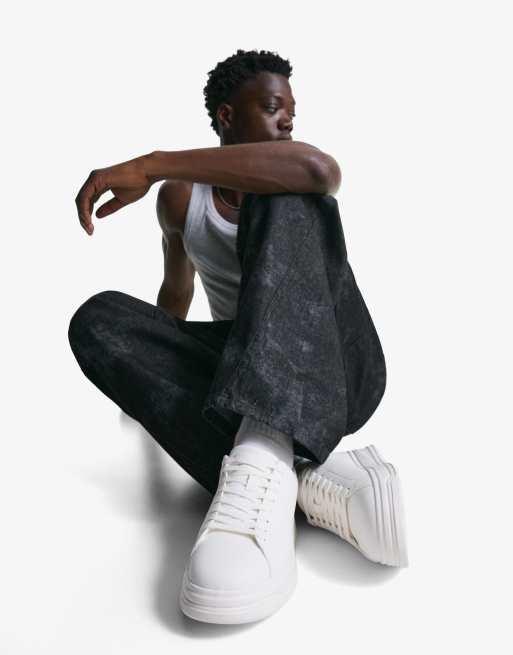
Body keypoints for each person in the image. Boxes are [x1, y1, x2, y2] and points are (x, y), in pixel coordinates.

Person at [69, 49, 408, 626]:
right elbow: (175, 292)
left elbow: (318, 170)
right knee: (96, 318)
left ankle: (263, 461)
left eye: (292, 109)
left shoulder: (297, 176)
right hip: (238, 371)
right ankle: (299, 478)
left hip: (334, 367)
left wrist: (150, 164)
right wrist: (148, 377)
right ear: (227, 115)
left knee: (282, 197)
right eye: (273, 107)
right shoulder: (182, 198)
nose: (288, 119)